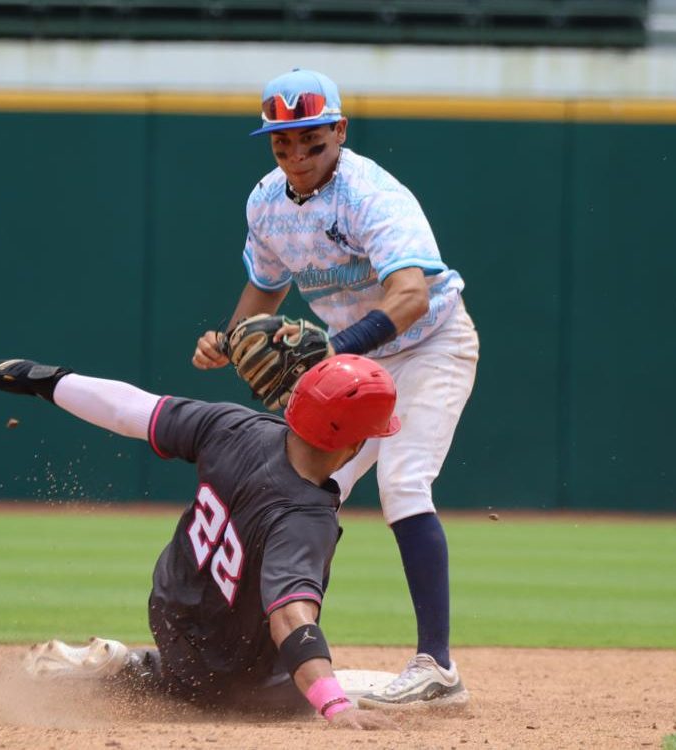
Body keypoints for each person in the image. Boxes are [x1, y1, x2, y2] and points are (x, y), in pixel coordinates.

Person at [192, 68, 478, 710]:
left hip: (430, 346)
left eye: (312, 141)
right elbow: (266, 286)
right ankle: (259, 655)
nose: (297, 155)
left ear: (340, 131)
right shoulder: (266, 202)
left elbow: (411, 295)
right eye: (282, 142)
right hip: (352, 363)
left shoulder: (373, 195)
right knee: (297, 487)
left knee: (404, 483)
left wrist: (333, 351)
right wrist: (228, 338)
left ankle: (437, 667)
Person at [0, 355, 400, 729]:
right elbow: (290, 617)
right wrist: (334, 704)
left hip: (169, 611)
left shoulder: (234, 425)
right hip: (225, 668)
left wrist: (47, 379)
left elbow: (127, 409)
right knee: (297, 696)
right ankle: (138, 670)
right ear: (355, 444)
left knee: (207, 666)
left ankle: (139, 666)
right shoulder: (305, 518)